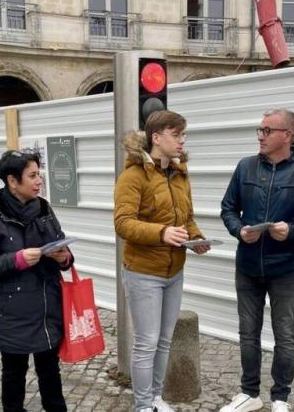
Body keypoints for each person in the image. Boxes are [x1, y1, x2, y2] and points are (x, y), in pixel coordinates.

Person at [219, 109, 294, 412]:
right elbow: (228, 208)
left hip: (286, 267)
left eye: (268, 130)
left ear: (288, 135)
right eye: (259, 129)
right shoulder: (245, 168)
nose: (261, 135)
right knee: (248, 331)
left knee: (284, 335)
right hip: (247, 266)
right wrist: (238, 230)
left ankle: (280, 398)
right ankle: (249, 393)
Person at [114, 110, 209, 412]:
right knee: (146, 342)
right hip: (143, 272)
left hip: (175, 270)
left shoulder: (180, 173)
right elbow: (123, 223)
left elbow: (187, 217)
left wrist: (196, 238)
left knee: (164, 340)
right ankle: (143, 405)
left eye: (183, 135)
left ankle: (156, 397)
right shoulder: (132, 175)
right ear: (156, 138)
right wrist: (161, 233)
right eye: (176, 134)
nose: (182, 141)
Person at [0, 149, 73, 412]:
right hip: (12, 313)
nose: (40, 181)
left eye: (39, 174)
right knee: (14, 373)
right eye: (33, 176)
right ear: (12, 181)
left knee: (50, 370)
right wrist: (16, 260)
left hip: (47, 307)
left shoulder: (44, 209)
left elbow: (61, 243)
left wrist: (64, 258)